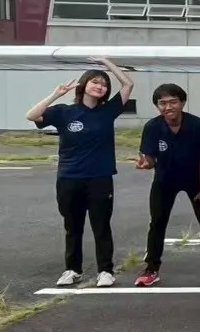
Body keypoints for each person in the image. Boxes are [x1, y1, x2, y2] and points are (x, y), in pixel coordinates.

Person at [26, 56, 134, 287]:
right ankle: (72, 270)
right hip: (69, 178)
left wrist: (107, 63)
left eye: (104, 84)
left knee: (101, 225)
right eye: (95, 81)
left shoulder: (109, 111)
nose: (100, 86)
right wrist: (56, 94)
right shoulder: (65, 112)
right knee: (72, 227)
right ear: (84, 85)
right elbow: (32, 115)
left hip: (100, 178)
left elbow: (128, 85)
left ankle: (106, 271)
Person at [134, 83, 200, 287]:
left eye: (173, 101)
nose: (168, 107)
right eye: (162, 103)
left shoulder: (197, 125)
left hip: (195, 180)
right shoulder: (153, 127)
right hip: (164, 181)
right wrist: (146, 164)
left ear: (182, 103)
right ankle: (151, 269)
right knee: (157, 223)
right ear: (157, 106)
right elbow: (150, 159)